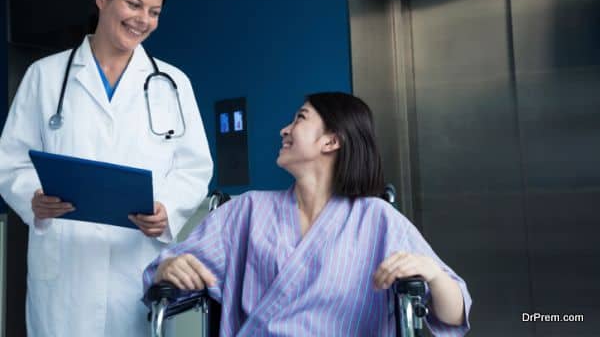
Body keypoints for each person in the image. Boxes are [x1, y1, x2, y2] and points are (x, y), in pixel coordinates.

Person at [0, 0, 213, 336]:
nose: (142, 20)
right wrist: (32, 196)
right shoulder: (44, 77)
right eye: (133, 4)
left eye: (154, 11)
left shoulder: (172, 83)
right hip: (65, 274)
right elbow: (9, 160)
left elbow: (194, 167)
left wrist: (167, 209)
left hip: (134, 270)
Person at [143, 92, 471, 336]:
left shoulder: (377, 219)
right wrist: (168, 268)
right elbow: (164, 278)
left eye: (300, 118)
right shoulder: (247, 210)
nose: (284, 130)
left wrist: (433, 273)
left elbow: (454, 314)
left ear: (331, 141)